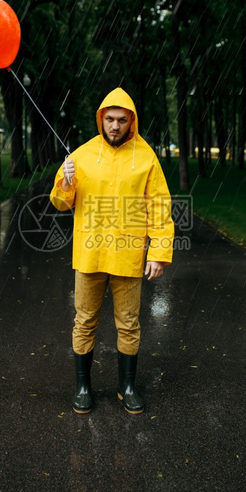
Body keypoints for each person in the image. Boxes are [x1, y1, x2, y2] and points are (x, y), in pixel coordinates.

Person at [50, 87, 175, 415]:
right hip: (90, 255)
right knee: (84, 321)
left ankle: (127, 386)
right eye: (110, 119)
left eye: (122, 119)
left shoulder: (146, 157)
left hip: (128, 255)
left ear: (131, 121)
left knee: (129, 323)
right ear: (101, 120)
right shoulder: (81, 155)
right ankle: (82, 386)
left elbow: (159, 205)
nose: (115, 126)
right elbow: (61, 203)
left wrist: (159, 251)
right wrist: (65, 182)